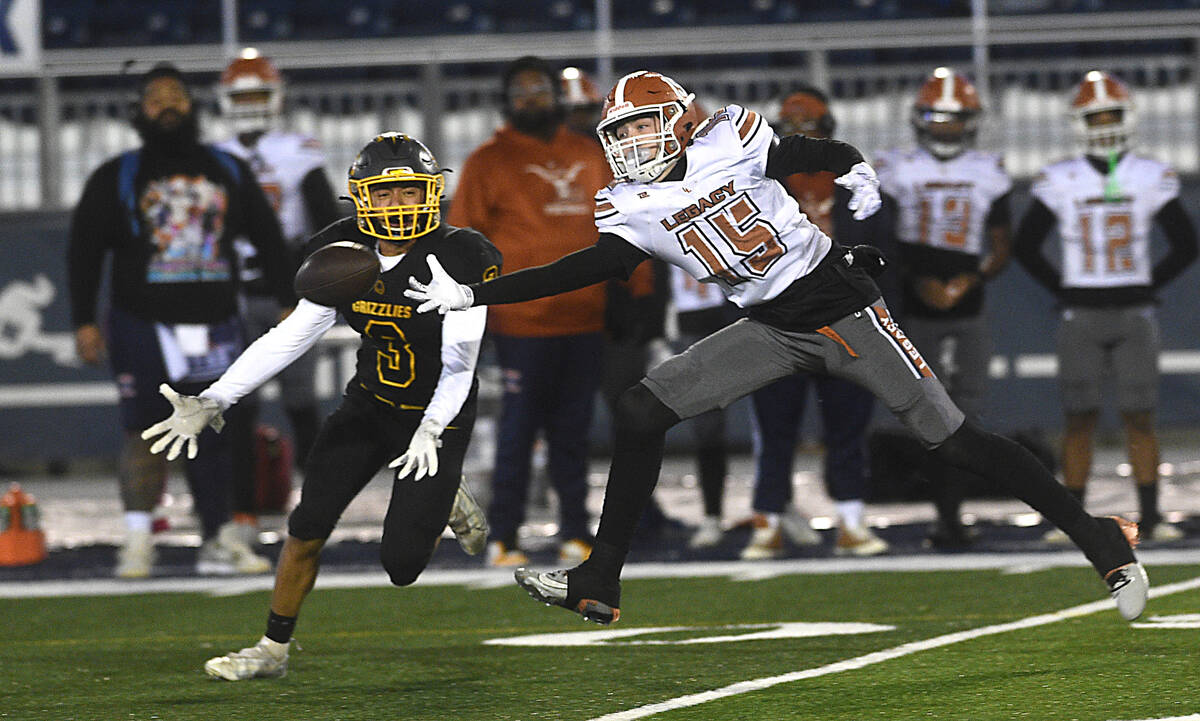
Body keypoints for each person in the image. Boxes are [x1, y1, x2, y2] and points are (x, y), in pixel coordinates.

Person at [408, 70, 1148, 625]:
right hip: (768, 327)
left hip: (842, 309)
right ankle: (600, 578)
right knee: (639, 410)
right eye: (619, 134)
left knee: (952, 438)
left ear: (677, 121)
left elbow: (799, 149)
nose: (630, 144)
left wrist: (848, 161)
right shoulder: (631, 203)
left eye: (641, 127)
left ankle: (1100, 537)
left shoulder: (727, 137)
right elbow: (586, 267)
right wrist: (478, 293)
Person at [142, 132, 500, 680]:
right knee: (306, 524)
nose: (398, 205)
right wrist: (215, 397)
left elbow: (460, 365)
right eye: (385, 194)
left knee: (402, 565)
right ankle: (271, 649)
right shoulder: (341, 252)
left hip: (438, 415)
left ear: (431, 193)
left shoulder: (462, 253)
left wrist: (431, 429)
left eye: (408, 192)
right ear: (360, 198)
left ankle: (444, 491)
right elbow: (292, 336)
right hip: (370, 403)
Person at [67, 62, 285, 579]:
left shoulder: (227, 169)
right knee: (145, 431)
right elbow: (84, 251)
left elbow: (268, 233)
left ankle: (217, 537)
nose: (167, 104)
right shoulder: (117, 175)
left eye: (176, 96)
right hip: (143, 322)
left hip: (215, 323)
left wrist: (287, 298)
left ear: (193, 106)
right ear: (139, 112)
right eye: (155, 97)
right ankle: (139, 539)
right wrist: (83, 320)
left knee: (213, 431)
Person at [1014, 70, 1197, 544]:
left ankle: (1152, 518)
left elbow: (1185, 243)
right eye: (1097, 116)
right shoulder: (1061, 178)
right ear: (1080, 121)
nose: (1105, 123)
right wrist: (1067, 288)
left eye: (1113, 114)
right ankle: (1073, 520)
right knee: (1078, 417)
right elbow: (1027, 244)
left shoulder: (1149, 174)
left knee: (1140, 415)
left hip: (1134, 312)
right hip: (1083, 312)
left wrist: (1144, 284)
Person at [447, 56, 612, 567]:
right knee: (517, 433)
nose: (531, 100)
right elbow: (461, 241)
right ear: (505, 100)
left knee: (574, 434)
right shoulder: (487, 161)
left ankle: (576, 533)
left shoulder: (588, 152)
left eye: (539, 90)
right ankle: (505, 537)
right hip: (520, 323)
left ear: (557, 96)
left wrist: (638, 292)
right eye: (521, 92)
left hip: (587, 317)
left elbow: (624, 221)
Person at [742, 86, 892, 559]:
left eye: (808, 130)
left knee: (847, 424)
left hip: (842, 319)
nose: (800, 139)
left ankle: (850, 519)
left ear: (826, 134)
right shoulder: (753, 189)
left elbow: (885, 260)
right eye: (790, 131)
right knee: (774, 428)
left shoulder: (856, 186)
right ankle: (767, 521)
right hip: (779, 321)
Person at [874, 67, 1013, 549]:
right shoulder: (894, 168)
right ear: (920, 119)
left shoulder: (988, 170)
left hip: (968, 299)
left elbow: (1001, 245)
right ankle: (945, 514)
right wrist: (918, 279)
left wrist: (970, 278)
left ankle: (954, 513)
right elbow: (883, 239)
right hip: (915, 301)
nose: (946, 127)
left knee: (968, 410)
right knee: (928, 413)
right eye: (936, 116)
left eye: (955, 118)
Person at [214, 49, 341, 542]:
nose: (250, 103)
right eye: (241, 94)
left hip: (290, 290)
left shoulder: (298, 150)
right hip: (234, 292)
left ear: (276, 97)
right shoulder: (216, 153)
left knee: (301, 403)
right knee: (238, 407)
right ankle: (243, 512)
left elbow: (324, 217)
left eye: (257, 93)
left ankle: (315, 510)